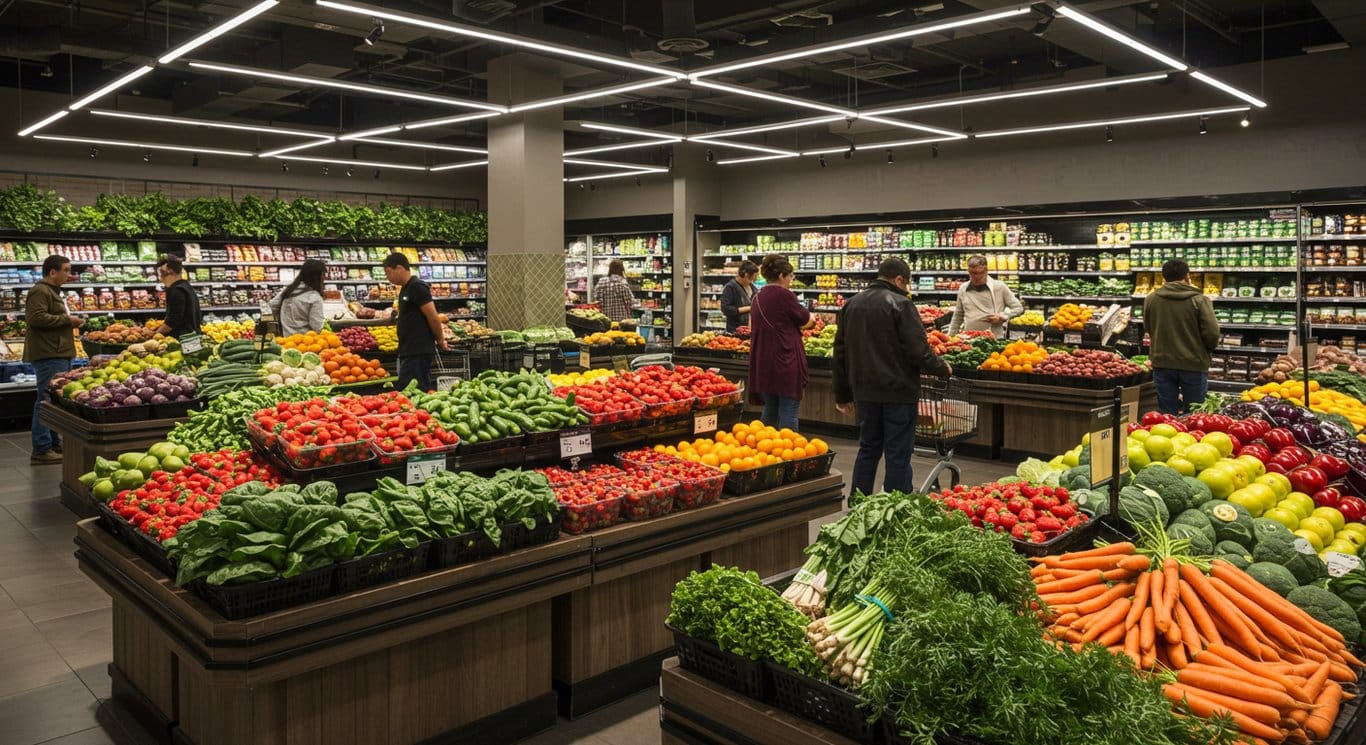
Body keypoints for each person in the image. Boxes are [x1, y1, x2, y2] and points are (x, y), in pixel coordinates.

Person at [834, 257, 952, 497]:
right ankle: (896, 506)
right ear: (900, 280)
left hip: (865, 391)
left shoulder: (851, 304)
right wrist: (942, 368)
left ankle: (859, 504)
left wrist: (843, 393)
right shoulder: (901, 304)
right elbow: (918, 350)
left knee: (868, 448)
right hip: (898, 391)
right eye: (907, 283)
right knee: (898, 453)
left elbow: (840, 352)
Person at [25, 255, 83, 465]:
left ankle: (52, 442)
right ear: (52, 272)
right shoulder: (40, 291)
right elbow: (36, 318)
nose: (68, 274)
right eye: (66, 270)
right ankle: (41, 448)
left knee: (53, 400)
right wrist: (68, 320)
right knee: (45, 401)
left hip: (57, 351)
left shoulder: (51, 292)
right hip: (49, 353)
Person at [1144, 258, 1219, 415]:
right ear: (1187, 275)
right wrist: (1206, 350)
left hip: (1162, 361)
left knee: (1167, 414)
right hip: (1193, 362)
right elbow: (1212, 333)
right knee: (1195, 412)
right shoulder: (1200, 299)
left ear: (1163, 277)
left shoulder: (1151, 299)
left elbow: (1149, 328)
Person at [748, 254, 815, 430]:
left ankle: (765, 449)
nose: (791, 281)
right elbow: (806, 320)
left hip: (763, 360)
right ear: (781, 276)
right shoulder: (784, 295)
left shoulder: (757, 296)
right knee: (789, 410)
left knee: (770, 408)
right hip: (784, 359)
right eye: (791, 276)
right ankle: (790, 451)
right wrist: (811, 320)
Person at [383, 253, 449, 392]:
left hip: (418, 350)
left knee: (412, 390)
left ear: (399, 268)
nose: (388, 277)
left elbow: (433, 317)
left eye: (388, 272)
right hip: (409, 349)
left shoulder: (417, 287)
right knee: (412, 389)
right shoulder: (406, 288)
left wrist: (440, 340)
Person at [947, 254, 1024, 339]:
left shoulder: (999, 287)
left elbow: (1018, 308)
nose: (975, 277)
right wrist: (949, 337)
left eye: (978, 273)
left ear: (986, 270)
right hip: (968, 339)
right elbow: (958, 315)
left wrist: (1002, 316)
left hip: (993, 339)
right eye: (971, 273)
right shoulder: (963, 288)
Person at [270, 259, 326, 336]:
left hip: (285, 339)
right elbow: (317, 326)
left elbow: (272, 305)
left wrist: (283, 318)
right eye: (323, 275)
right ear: (317, 277)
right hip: (305, 341)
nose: (324, 278)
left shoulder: (289, 290)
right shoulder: (314, 297)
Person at [154, 255, 201, 339]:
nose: (161, 279)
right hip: (192, 336)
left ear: (170, 271)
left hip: (182, 340)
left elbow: (172, 321)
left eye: (161, 273)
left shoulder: (176, 291)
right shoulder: (185, 286)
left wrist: (155, 335)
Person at [720, 260, 759, 332]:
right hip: (736, 330)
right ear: (746, 275)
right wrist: (748, 308)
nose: (753, 281)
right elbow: (725, 309)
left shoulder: (752, 287)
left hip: (750, 329)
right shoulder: (730, 287)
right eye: (752, 278)